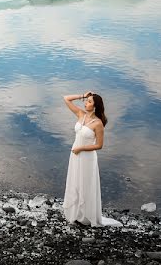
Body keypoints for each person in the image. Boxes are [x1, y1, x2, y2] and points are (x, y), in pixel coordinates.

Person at [62, 91, 121, 226]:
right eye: (86, 101)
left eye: (89, 101)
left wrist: (81, 148)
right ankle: (76, 213)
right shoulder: (80, 114)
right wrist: (82, 95)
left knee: (86, 183)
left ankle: (86, 216)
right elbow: (66, 99)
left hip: (87, 157)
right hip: (75, 155)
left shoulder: (98, 123)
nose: (85, 103)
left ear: (95, 106)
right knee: (75, 181)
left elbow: (99, 145)